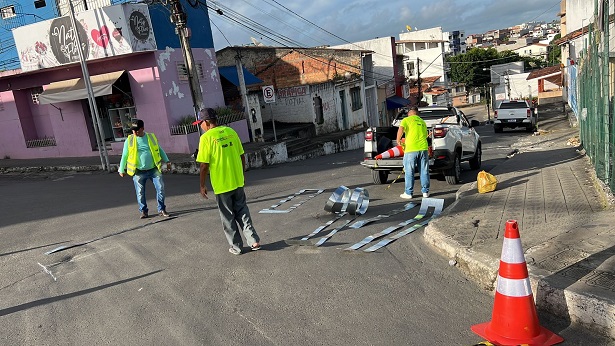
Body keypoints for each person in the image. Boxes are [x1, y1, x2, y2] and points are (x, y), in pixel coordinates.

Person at [194, 108, 261, 255]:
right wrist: (241, 174)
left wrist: (202, 185)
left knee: (228, 217)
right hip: (237, 181)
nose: (200, 126)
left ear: (205, 122)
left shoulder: (206, 138)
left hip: (222, 184)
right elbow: (242, 155)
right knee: (243, 211)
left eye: (200, 123)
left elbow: (204, 165)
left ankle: (236, 247)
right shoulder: (231, 132)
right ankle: (253, 240)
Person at [118, 118, 171, 219]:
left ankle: (161, 209)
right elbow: (124, 155)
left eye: (137, 130)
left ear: (142, 128)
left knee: (161, 188)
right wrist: (121, 169)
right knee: (140, 192)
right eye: (133, 130)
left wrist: (167, 161)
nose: (135, 132)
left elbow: (159, 149)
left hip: (153, 169)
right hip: (138, 171)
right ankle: (143, 211)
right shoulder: (130, 140)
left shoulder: (150, 137)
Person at [396, 105, 430, 199]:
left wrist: (398, 140)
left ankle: (408, 193)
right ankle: (425, 192)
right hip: (423, 148)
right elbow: (425, 134)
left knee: (409, 171)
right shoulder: (422, 122)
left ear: (409, 113)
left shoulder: (406, 120)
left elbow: (401, 129)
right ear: (417, 113)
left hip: (411, 149)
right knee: (424, 171)